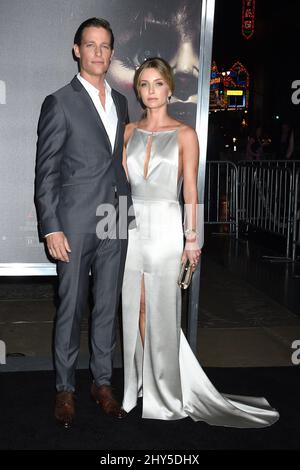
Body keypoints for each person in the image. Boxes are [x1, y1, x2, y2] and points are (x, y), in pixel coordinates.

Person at [121, 57, 279, 427]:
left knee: (162, 309)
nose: (151, 91)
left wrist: (194, 240)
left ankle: (167, 389)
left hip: (166, 229)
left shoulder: (185, 134)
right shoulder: (127, 132)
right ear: (138, 91)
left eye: (158, 83)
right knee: (136, 307)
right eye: (144, 84)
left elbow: (191, 190)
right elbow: (118, 189)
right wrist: (106, 232)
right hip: (129, 227)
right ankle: (145, 381)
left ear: (170, 88)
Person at [35, 17, 132, 428]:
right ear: (77, 50)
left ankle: (103, 383)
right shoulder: (59, 101)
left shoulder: (122, 102)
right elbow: (46, 172)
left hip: (115, 214)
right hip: (73, 221)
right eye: (90, 45)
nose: (98, 52)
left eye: (105, 46)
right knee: (72, 306)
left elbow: (118, 163)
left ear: (111, 53)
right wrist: (51, 226)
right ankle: (65, 389)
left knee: (107, 305)